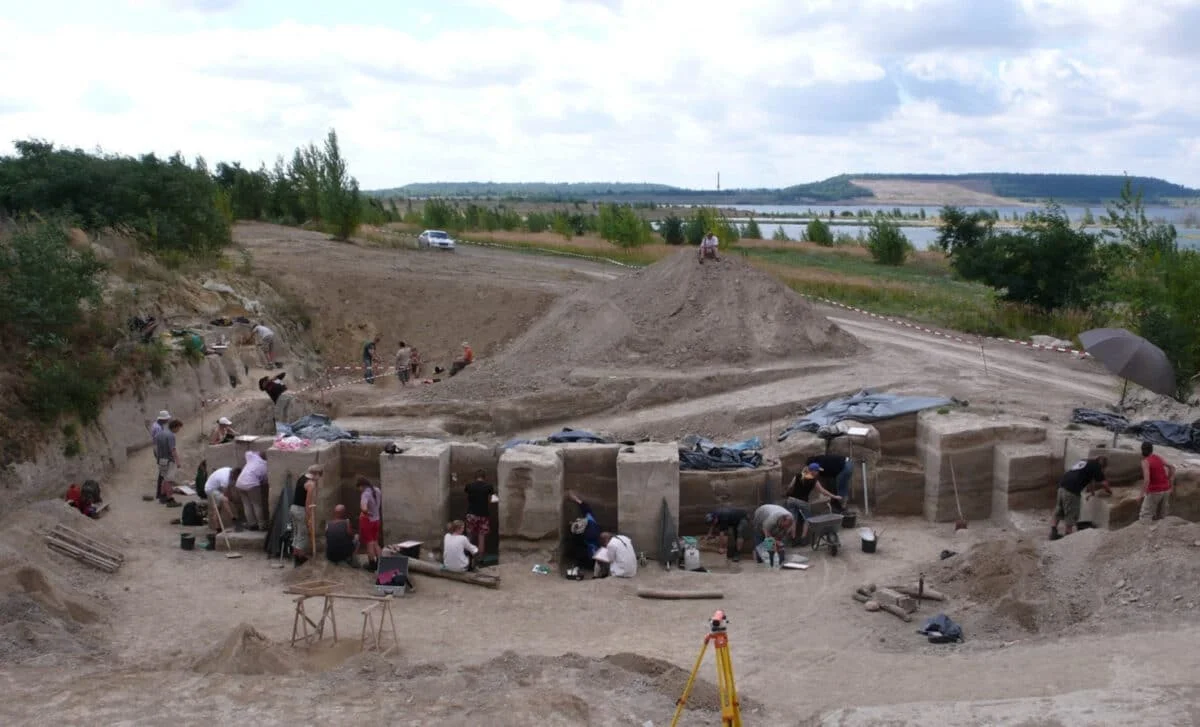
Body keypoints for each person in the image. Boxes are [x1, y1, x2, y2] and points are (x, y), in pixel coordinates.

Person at [1051, 456, 1111, 539]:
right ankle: (1068, 536)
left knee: (1059, 509)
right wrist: (1109, 491)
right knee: (1071, 513)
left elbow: (1090, 480)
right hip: (1072, 490)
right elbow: (1104, 483)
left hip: (1062, 486)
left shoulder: (1085, 462)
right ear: (1102, 465)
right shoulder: (1097, 466)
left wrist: (1092, 492)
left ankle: (1053, 532)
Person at [783, 464, 841, 544]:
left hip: (791, 500)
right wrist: (834, 496)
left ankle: (794, 540)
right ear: (813, 471)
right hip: (803, 502)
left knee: (793, 519)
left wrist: (788, 494)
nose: (818, 473)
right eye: (817, 471)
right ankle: (803, 539)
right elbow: (823, 491)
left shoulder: (798, 475)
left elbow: (790, 486)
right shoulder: (814, 480)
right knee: (807, 519)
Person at [291, 465, 322, 565]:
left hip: (293, 508)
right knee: (303, 534)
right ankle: (300, 558)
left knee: (297, 533)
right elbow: (308, 502)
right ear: (316, 474)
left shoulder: (302, 477)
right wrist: (309, 518)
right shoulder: (310, 484)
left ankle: (296, 555)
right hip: (301, 510)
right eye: (319, 475)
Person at [1138, 442, 1176, 523]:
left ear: (1142, 450)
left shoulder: (1145, 462)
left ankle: (1145, 533)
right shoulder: (1158, 457)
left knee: (1145, 515)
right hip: (1166, 490)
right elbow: (1172, 467)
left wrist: (1141, 495)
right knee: (1162, 515)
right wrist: (1170, 482)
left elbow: (1147, 480)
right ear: (1152, 450)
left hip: (1155, 491)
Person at [235, 450, 269, 531]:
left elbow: (248, 452)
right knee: (257, 505)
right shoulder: (265, 466)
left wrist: (257, 452)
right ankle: (261, 525)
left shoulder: (253, 457)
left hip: (239, 483)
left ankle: (252, 524)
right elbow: (264, 481)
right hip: (252, 484)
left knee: (246, 504)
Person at [566, 490, 602, 566]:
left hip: (591, 551)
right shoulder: (590, 520)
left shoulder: (588, 534)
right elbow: (586, 508)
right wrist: (576, 499)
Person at [463, 469, 494, 557]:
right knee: (481, 536)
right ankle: (480, 557)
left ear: (475, 477)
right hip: (483, 514)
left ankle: (468, 556)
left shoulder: (469, 486)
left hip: (471, 513)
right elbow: (491, 500)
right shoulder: (489, 486)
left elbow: (467, 499)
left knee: (469, 535)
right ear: (484, 477)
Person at [204, 466, 242, 533]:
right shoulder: (225, 479)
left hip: (216, 488)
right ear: (234, 475)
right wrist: (230, 498)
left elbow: (228, 489)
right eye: (236, 478)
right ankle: (234, 519)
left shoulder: (230, 471)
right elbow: (225, 493)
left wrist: (231, 498)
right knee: (225, 500)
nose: (235, 480)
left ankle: (218, 529)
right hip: (210, 489)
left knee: (217, 509)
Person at [154, 419, 183, 505]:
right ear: (175, 427)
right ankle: (170, 498)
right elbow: (172, 449)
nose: (178, 430)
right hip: (169, 460)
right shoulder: (171, 436)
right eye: (178, 428)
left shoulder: (160, 434)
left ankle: (162, 496)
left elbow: (155, 448)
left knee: (164, 479)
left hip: (161, 460)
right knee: (169, 480)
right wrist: (177, 461)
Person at [357, 476, 383, 571]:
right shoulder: (377, 490)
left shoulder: (365, 494)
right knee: (376, 542)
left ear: (362, 486)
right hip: (377, 520)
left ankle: (371, 564)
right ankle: (381, 562)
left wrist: (365, 512)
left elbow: (363, 507)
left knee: (369, 543)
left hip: (368, 520)